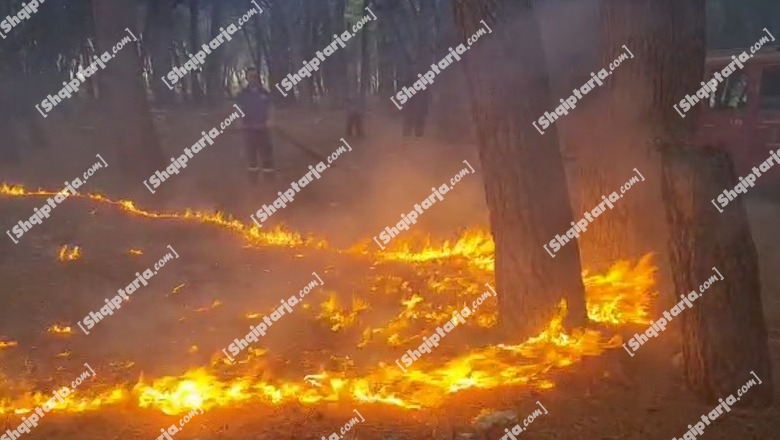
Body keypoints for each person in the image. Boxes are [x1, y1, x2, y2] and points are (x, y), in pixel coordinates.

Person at [237, 67, 274, 186]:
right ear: (247, 78)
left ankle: (269, 183)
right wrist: (240, 122)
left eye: (254, 76)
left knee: (267, 156)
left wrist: (270, 120)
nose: (252, 79)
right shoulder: (242, 95)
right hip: (249, 130)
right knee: (251, 157)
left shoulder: (264, 93)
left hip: (264, 130)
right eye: (250, 76)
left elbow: (271, 108)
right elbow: (238, 110)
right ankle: (253, 184)